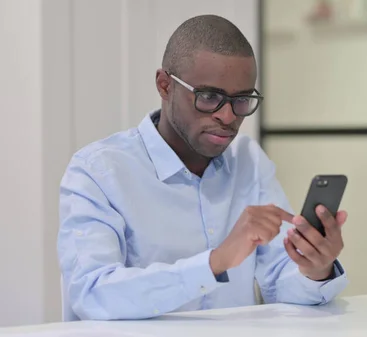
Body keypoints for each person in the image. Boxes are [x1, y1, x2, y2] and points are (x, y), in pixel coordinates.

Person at [56, 14, 349, 321]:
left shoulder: (249, 161)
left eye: (242, 100)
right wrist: (214, 263)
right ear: (164, 85)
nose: (228, 116)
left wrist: (315, 270)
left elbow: (280, 283)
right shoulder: (98, 171)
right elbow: (91, 293)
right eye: (209, 97)